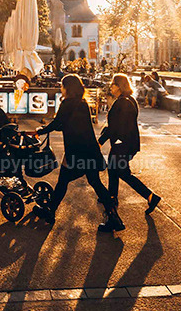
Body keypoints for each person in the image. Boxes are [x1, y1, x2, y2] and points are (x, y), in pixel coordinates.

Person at [34, 74, 124, 231]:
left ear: (67, 88)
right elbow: (70, 123)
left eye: (62, 86)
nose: (61, 89)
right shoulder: (83, 103)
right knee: (96, 183)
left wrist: (40, 130)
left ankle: (50, 212)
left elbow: (57, 123)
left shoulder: (66, 103)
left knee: (63, 181)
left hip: (76, 152)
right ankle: (114, 218)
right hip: (90, 150)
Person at [99, 73, 160, 219]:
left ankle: (150, 196)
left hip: (123, 144)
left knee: (123, 173)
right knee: (113, 170)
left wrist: (100, 141)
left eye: (113, 84)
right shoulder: (128, 99)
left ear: (119, 86)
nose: (111, 87)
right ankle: (111, 197)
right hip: (125, 143)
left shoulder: (123, 102)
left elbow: (114, 127)